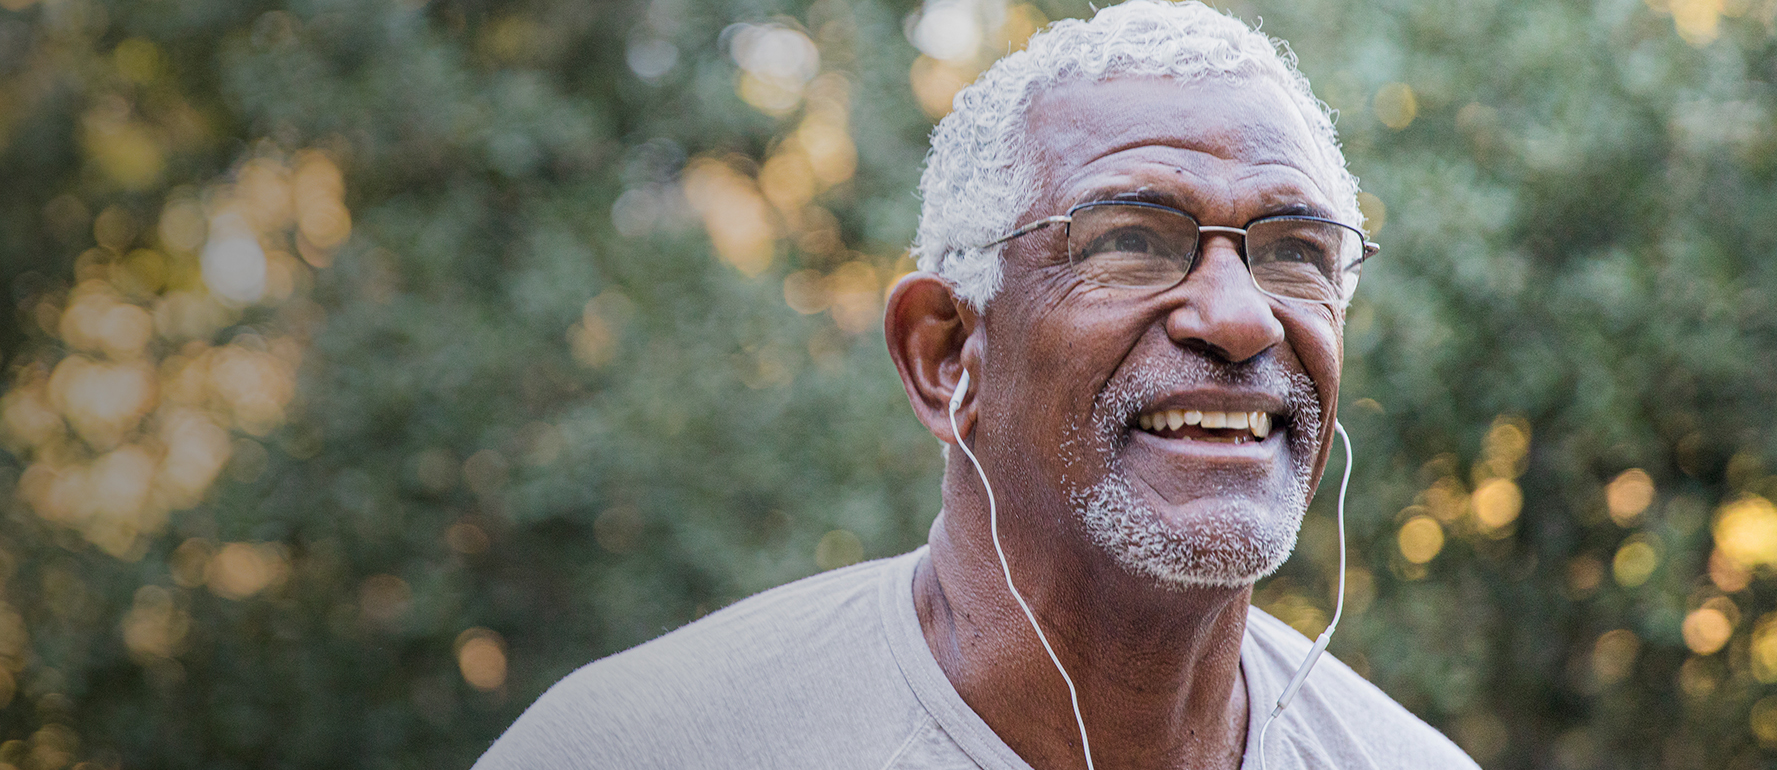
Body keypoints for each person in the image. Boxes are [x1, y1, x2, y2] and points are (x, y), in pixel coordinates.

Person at [476, 1, 1478, 768]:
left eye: (1296, 250)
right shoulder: (647, 745)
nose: (1241, 316)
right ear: (946, 351)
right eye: (1132, 239)